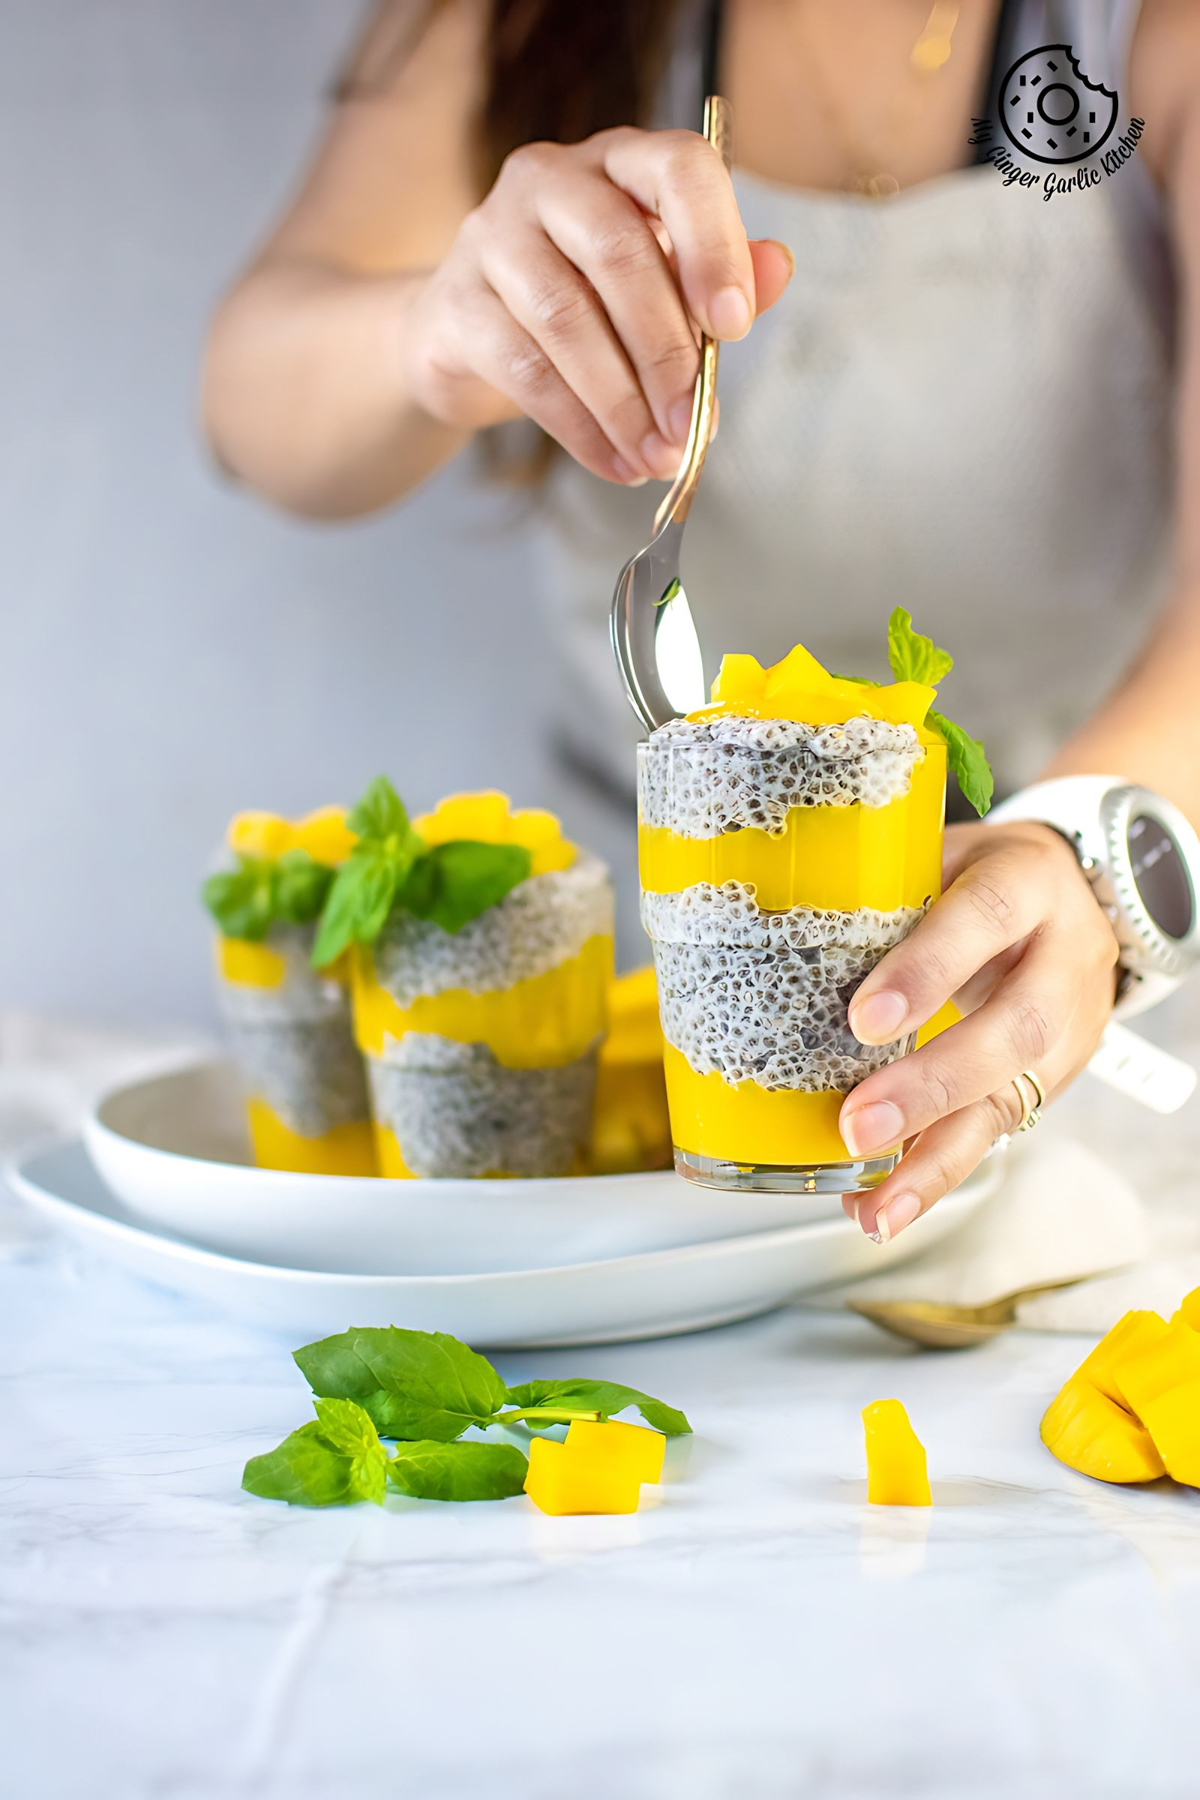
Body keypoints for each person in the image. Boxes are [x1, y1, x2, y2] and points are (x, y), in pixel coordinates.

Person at [202, 0, 1200, 1243]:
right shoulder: (514, 23)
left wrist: (1084, 854)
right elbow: (252, 411)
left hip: (1077, 970)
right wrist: (434, 333)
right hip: (616, 1022)